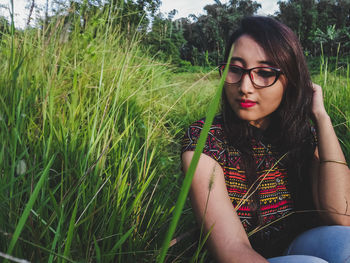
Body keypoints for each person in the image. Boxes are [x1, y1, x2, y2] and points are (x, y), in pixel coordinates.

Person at [181, 16, 350, 263]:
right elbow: (232, 249)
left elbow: (342, 217)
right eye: (236, 70)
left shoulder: (302, 135)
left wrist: (321, 119)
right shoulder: (204, 143)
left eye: (264, 73)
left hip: (298, 244)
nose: (245, 86)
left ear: (291, 80)